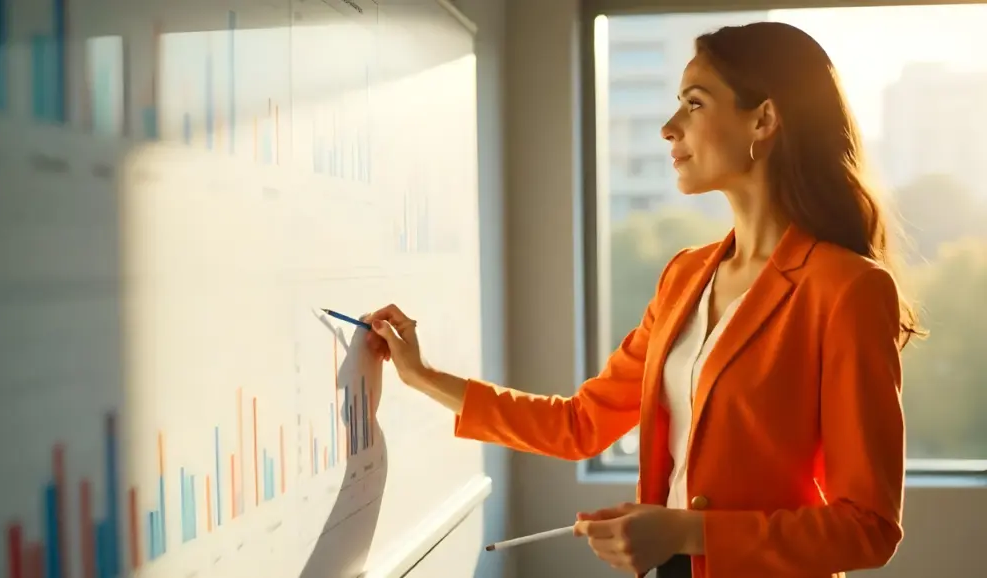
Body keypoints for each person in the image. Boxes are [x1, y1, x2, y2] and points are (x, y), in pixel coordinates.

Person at [363, 21, 922, 578]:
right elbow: (580, 424)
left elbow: (868, 527)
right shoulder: (685, 277)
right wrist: (423, 375)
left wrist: (685, 530)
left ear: (765, 119)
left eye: (694, 104)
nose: (667, 127)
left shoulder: (846, 288)